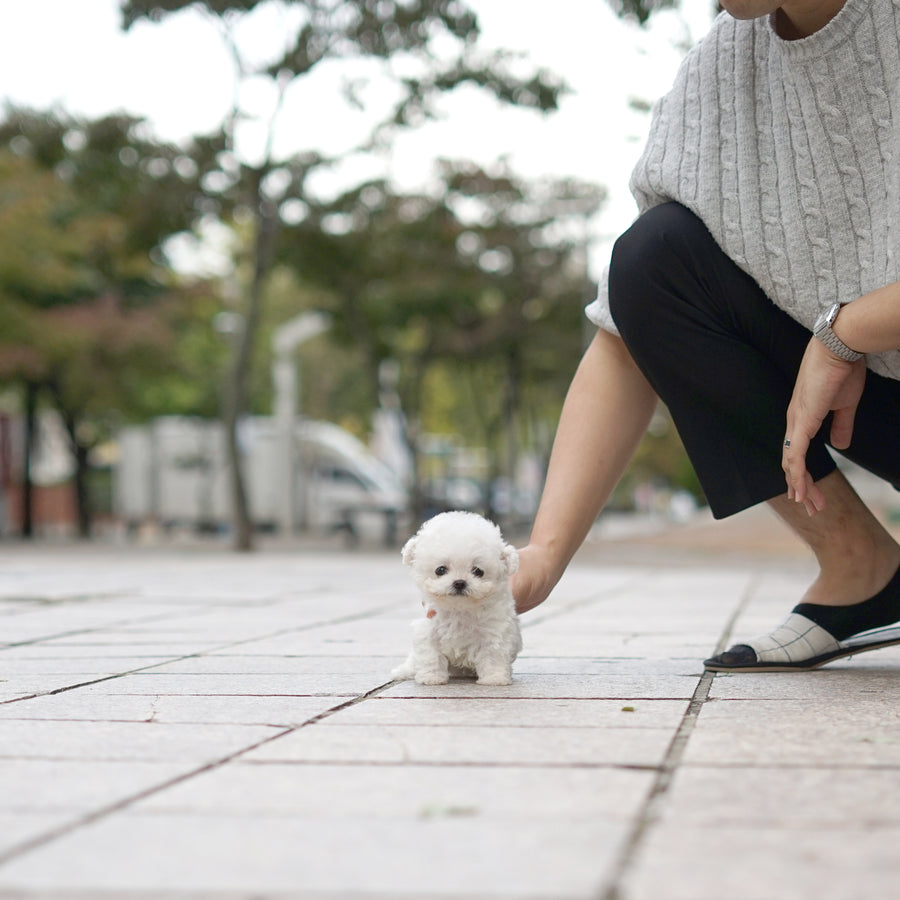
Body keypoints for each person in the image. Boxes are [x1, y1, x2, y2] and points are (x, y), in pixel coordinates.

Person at [511, 0, 900, 671]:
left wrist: (845, 332)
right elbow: (630, 329)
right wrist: (541, 558)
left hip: (853, 368)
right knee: (653, 261)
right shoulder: (721, 68)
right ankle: (861, 568)